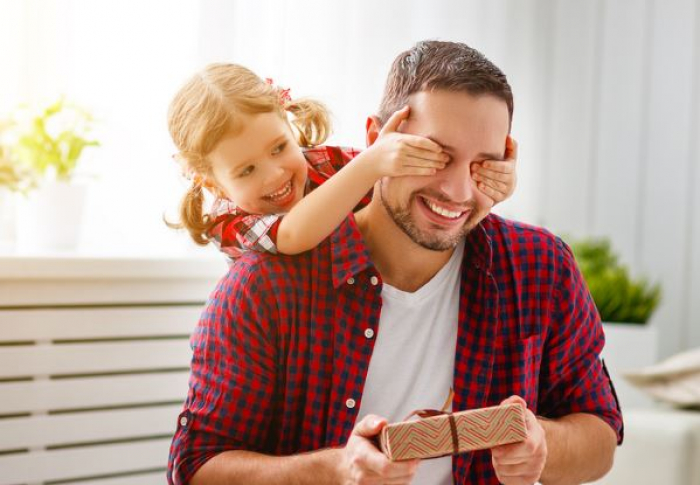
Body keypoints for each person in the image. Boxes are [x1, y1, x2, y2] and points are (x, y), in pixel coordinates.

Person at [167, 41, 623, 485]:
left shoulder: (539, 266)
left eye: (483, 166)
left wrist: (542, 443)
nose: (458, 192)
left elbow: (601, 435)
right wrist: (337, 471)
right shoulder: (262, 287)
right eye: (432, 156)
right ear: (376, 142)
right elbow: (196, 468)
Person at [166, 63, 516, 261]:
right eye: (246, 170)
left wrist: (487, 179)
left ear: (288, 122)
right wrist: (370, 164)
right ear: (212, 183)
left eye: (278, 148)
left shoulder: (325, 164)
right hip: (293, 327)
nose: (275, 174)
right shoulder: (228, 220)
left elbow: (399, 186)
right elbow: (291, 235)